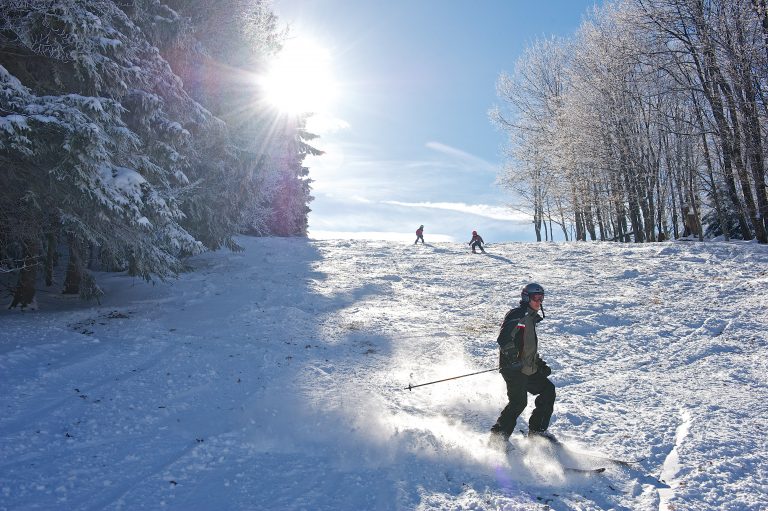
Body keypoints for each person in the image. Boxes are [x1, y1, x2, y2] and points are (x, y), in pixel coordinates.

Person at [489, 283, 556, 450]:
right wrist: (513, 358)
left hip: (527, 368)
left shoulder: (531, 318)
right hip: (513, 369)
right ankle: (497, 439)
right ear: (527, 297)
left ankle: (537, 432)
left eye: (541, 298)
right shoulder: (518, 315)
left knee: (548, 390)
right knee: (518, 403)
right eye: (536, 298)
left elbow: (527, 347)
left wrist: (539, 365)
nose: (539, 301)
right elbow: (504, 339)